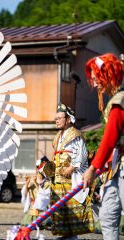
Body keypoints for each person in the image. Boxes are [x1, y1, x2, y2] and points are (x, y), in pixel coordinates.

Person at [82, 53, 124, 240]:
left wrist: (92, 169)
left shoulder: (120, 101)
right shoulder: (116, 99)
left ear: (108, 75)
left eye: (96, 77)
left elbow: (109, 139)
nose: (94, 82)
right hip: (116, 168)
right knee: (107, 216)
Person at [50, 103, 94, 239]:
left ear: (68, 119)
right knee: (61, 214)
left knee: (71, 215)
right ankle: (65, 236)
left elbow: (81, 155)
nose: (56, 120)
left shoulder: (75, 134)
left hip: (70, 181)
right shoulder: (58, 136)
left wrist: (72, 167)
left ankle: (71, 237)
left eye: (59, 117)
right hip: (58, 180)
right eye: (55, 118)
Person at [20, 157, 52, 229]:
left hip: (43, 209)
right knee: (28, 223)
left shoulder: (47, 182)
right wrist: (26, 183)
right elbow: (24, 195)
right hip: (32, 209)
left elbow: (43, 195)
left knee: (45, 222)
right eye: (38, 167)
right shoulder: (31, 180)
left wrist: (35, 183)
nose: (39, 170)